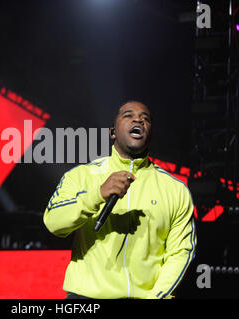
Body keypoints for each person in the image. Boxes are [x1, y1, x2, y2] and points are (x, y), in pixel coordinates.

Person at [43, 101, 197, 299]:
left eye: (145, 118)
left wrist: (158, 297)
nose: (138, 120)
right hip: (86, 299)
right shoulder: (81, 176)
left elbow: (180, 253)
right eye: (128, 115)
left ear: (150, 135)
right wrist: (97, 194)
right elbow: (54, 223)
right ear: (112, 132)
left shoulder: (175, 190)